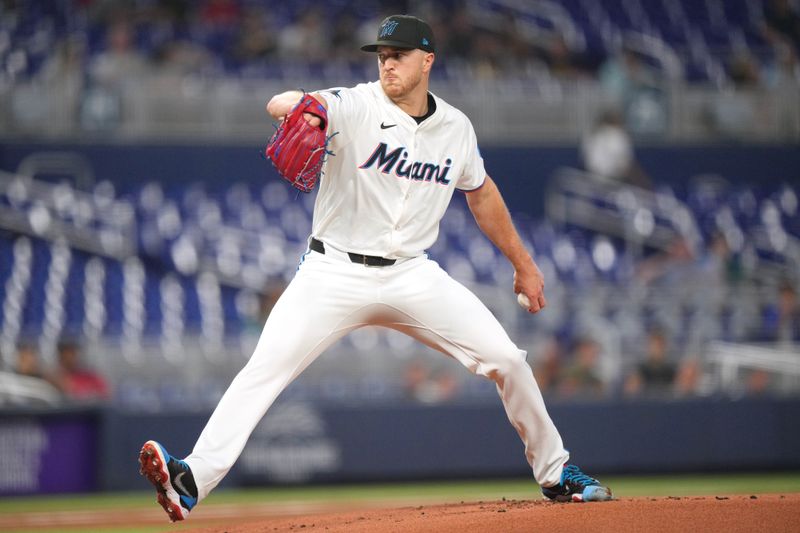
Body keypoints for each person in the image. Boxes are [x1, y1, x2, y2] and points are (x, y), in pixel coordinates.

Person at [138, 15, 611, 522]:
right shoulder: (354, 103)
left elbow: (482, 193)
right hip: (332, 271)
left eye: (399, 54)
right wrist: (308, 115)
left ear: (427, 61)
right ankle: (191, 480)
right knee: (264, 370)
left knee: (509, 360)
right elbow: (283, 103)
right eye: (382, 55)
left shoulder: (456, 127)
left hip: (412, 274)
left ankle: (557, 474)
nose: (387, 63)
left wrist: (524, 265)